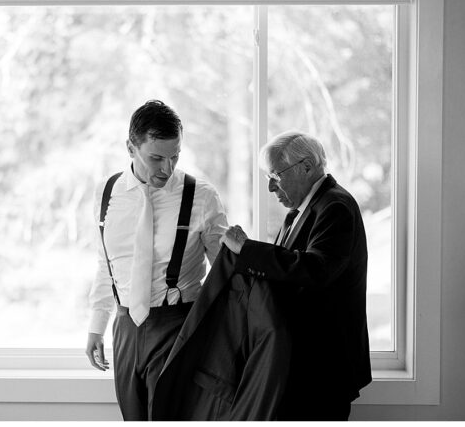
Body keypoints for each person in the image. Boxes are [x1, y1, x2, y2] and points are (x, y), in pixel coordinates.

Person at [85, 100, 228, 420]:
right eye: (156, 158)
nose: (167, 167)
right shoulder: (106, 193)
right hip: (125, 329)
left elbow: (226, 274)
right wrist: (97, 324)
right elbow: (105, 264)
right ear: (130, 148)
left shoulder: (201, 196)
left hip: (180, 327)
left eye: (175, 156)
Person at [221, 130, 371, 421]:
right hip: (301, 367)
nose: (270, 188)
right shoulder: (303, 209)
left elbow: (316, 269)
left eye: (275, 175)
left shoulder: (335, 207)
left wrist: (248, 250)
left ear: (306, 166)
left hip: (323, 371)